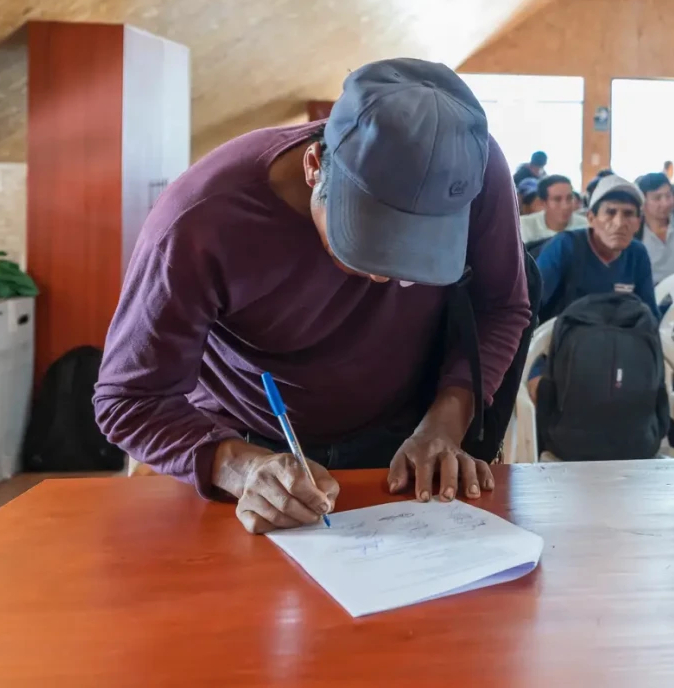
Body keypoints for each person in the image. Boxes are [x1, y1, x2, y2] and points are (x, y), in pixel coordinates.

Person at [93, 59, 531, 534]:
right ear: (314, 166)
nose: (385, 280)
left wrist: (445, 422)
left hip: (407, 446)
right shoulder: (200, 220)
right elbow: (128, 399)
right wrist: (238, 467)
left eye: (417, 255)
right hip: (249, 454)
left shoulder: (471, 171)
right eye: (365, 243)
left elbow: (501, 305)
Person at [535, 173, 657, 322]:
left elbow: (650, 317)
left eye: (628, 214)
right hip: (562, 339)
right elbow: (531, 304)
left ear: (638, 222)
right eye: (610, 212)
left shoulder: (637, 254)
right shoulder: (564, 246)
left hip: (619, 339)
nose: (619, 223)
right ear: (591, 219)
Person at [519, 173, 587, 252]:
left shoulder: (585, 227)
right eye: (557, 199)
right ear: (543, 203)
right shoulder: (523, 226)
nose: (565, 206)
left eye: (569, 198)